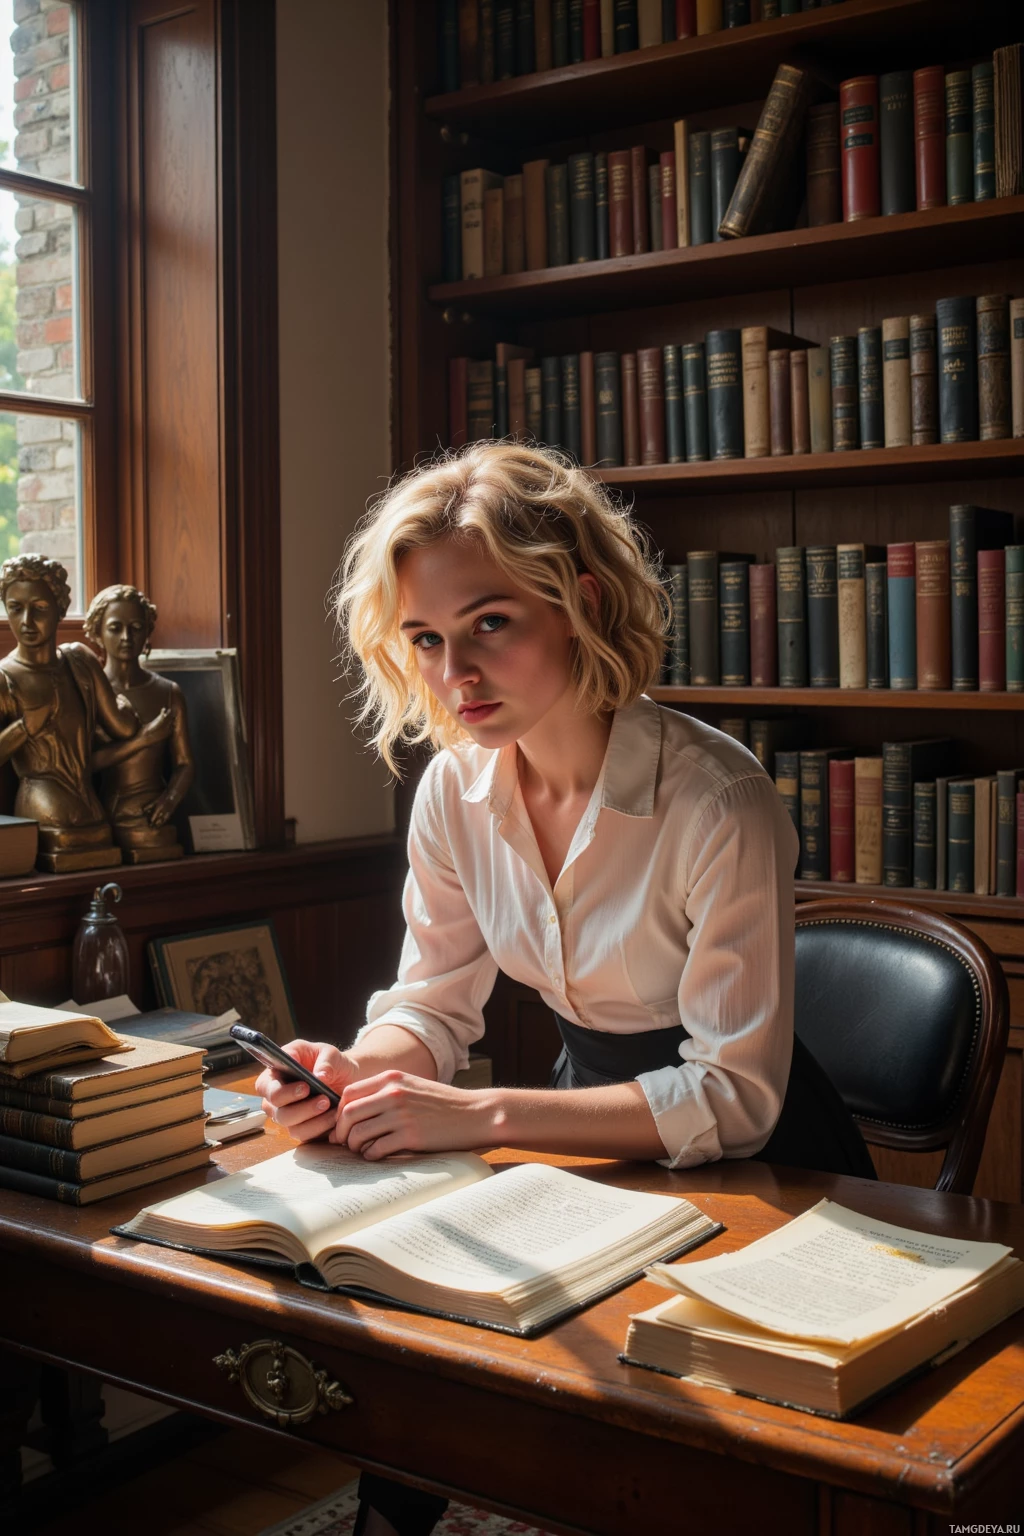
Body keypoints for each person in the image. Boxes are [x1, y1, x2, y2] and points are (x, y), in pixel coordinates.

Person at [256, 440, 874, 1536]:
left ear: (580, 602)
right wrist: (354, 1071)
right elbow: (432, 1005)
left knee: (700, 1472)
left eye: (490, 622)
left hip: (771, 1168)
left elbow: (734, 1098)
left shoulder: (716, 798)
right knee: (429, 1350)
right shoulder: (452, 790)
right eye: (426, 639)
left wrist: (481, 1115)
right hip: (584, 1129)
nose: (456, 674)